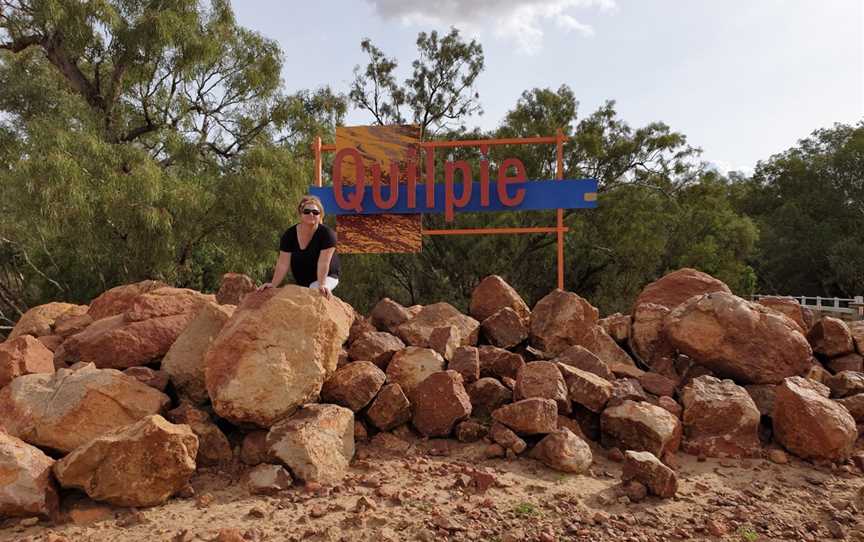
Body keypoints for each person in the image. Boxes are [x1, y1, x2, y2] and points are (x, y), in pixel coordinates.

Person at [257, 195, 340, 298]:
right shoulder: (289, 235)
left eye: (315, 212)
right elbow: (283, 263)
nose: (311, 214)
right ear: (300, 214)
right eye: (307, 211)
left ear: (320, 216)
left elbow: (323, 262)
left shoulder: (328, 235)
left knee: (314, 292)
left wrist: (322, 284)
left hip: (327, 277)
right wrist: (273, 284)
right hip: (303, 283)